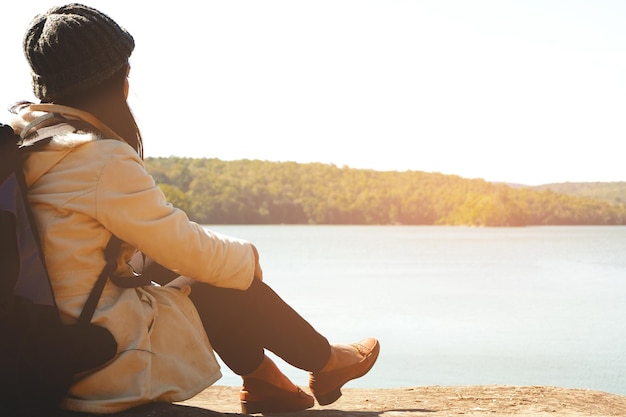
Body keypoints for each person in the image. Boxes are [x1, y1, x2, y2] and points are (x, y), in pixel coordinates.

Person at [8, 3, 379, 415]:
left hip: (39, 345)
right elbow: (187, 248)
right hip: (92, 360)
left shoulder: (28, 144)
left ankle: (270, 380)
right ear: (118, 81)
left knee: (175, 264)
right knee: (216, 276)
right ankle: (321, 361)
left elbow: (150, 244)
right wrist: (247, 258)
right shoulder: (96, 157)